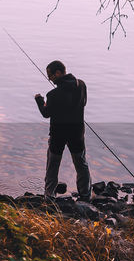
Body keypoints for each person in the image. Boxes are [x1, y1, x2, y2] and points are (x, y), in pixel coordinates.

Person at [34, 60, 91, 200]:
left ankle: (49, 196)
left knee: (53, 165)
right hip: (77, 132)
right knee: (81, 164)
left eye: (50, 75)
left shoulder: (53, 94)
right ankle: (85, 194)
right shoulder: (81, 85)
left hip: (58, 134)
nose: (49, 79)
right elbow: (83, 103)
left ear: (58, 73)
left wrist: (39, 100)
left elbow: (46, 113)